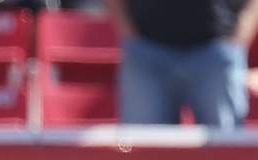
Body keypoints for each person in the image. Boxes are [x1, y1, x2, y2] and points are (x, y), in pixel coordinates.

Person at [101, 0, 258, 129]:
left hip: (216, 50)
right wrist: (128, 34)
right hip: (146, 49)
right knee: (143, 148)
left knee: (225, 145)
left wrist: (239, 36)